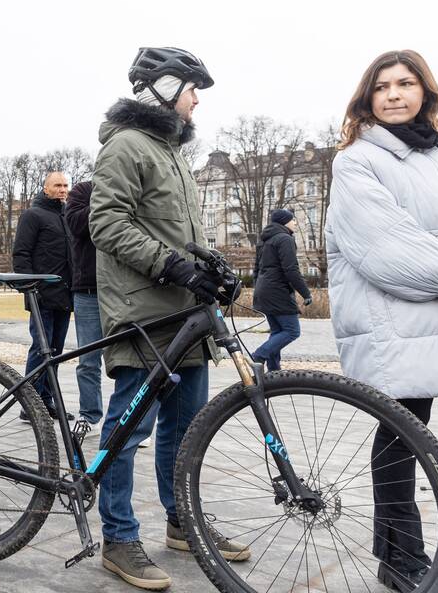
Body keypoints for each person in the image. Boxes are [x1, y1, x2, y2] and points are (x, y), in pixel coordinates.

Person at [89, 47, 249, 589]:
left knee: (185, 428)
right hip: (145, 312)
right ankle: (119, 537)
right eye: (190, 89)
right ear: (161, 89)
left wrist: (212, 267)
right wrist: (173, 266)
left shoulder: (173, 151)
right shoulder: (127, 146)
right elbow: (107, 224)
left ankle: (182, 522)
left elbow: (179, 232)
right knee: (129, 429)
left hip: (186, 314)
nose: (197, 100)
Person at [327, 49, 438, 592]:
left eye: (406, 83)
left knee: (406, 432)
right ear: (367, 99)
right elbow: (383, 245)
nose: (395, 95)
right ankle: (400, 557)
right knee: (404, 433)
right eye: (382, 87)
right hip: (395, 315)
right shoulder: (356, 159)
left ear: (425, 91)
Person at [12, 171, 73, 421]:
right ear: (45, 189)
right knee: (41, 349)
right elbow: (21, 254)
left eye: (65, 185)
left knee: (55, 352)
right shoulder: (32, 215)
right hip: (41, 295)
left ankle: (47, 400)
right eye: (57, 185)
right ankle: (30, 405)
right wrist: (29, 287)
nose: (62, 189)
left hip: (65, 295)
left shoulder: (67, 215)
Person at [251, 208, 311, 372]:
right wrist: (306, 293)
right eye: (292, 220)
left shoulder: (264, 240)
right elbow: (291, 270)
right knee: (292, 331)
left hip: (264, 291)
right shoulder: (284, 239)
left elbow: (256, 269)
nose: (294, 223)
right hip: (278, 291)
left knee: (277, 331)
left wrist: (259, 289)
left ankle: (274, 371)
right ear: (285, 221)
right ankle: (259, 355)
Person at [64, 178, 103, 428]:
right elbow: (76, 224)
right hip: (88, 290)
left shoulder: (131, 189)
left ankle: (131, 421)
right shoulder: (82, 191)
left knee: (132, 359)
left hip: (124, 290)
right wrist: (106, 200)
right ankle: (89, 414)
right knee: (88, 359)